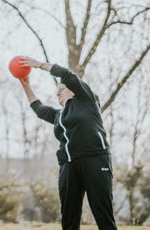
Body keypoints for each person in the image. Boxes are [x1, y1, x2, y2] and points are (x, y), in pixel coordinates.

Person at [17, 58, 116, 230]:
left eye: (61, 89)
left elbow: (66, 74)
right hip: (68, 166)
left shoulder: (87, 100)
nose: (57, 93)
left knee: (102, 214)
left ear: (74, 90)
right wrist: (26, 86)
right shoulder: (59, 115)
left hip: (95, 160)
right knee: (69, 216)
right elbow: (39, 109)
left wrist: (39, 65)